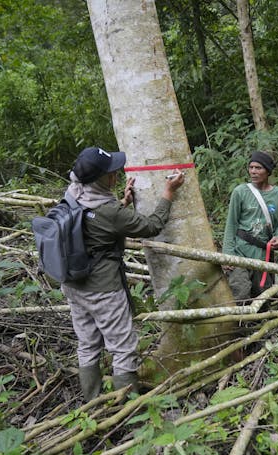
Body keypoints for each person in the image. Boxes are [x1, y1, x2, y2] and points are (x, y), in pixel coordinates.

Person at [62, 146, 185, 401]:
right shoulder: (109, 212)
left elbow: (94, 221)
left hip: (74, 285)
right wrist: (168, 193)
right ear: (99, 179)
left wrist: (122, 203)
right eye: (110, 173)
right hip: (103, 289)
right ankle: (125, 411)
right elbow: (151, 226)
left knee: (87, 344)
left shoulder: (72, 194)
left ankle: (92, 404)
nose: (115, 175)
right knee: (124, 348)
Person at [222, 151, 278, 302]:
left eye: (258, 168)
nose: (253, 171)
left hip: (262, 255)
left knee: (262, 296)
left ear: (268, 171)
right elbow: (231, 224)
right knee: (240, 290)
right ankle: (240, 323)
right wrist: (227, 255)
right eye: (251, 167)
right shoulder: (240, 192)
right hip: (240, 252)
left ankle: (258, 323)